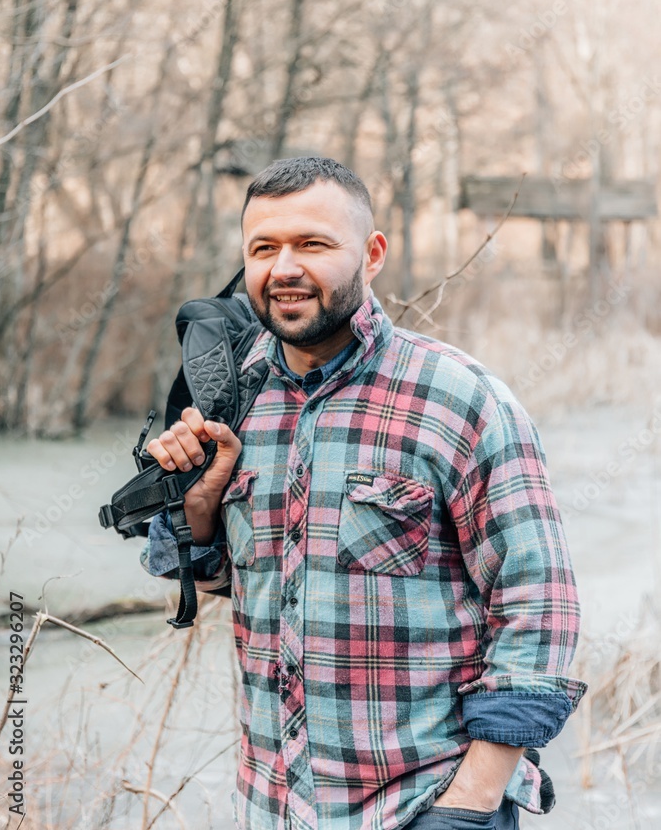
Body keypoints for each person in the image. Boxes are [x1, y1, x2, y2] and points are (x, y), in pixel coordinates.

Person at [140, 156, 587, 830]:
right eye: (263, 248)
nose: (283, 267)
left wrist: (467, 805)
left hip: (423, 809)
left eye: (312, 244)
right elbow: (219, 584)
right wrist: (197, 505)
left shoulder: (460, 399)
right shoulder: (229, 400)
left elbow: (538, 607)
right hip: (271, 808)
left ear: (372, 254)